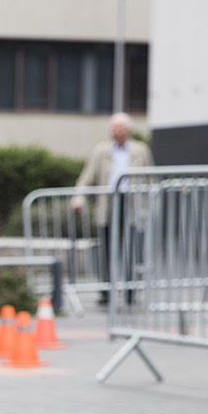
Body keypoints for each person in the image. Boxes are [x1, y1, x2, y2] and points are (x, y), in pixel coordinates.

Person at [72, 112, 154, 306]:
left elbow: (151, 176)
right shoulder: (101, 151)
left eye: (119, 128)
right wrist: (79, 197)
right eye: (113, 127)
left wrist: (152, 201)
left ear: (128, 130)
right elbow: (87, 177)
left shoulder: (140, 150)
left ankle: (131, 290)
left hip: (132, 203)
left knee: (132, 248)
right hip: (109, 203)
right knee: (107, 248)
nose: (115, 131)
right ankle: (106, 290)